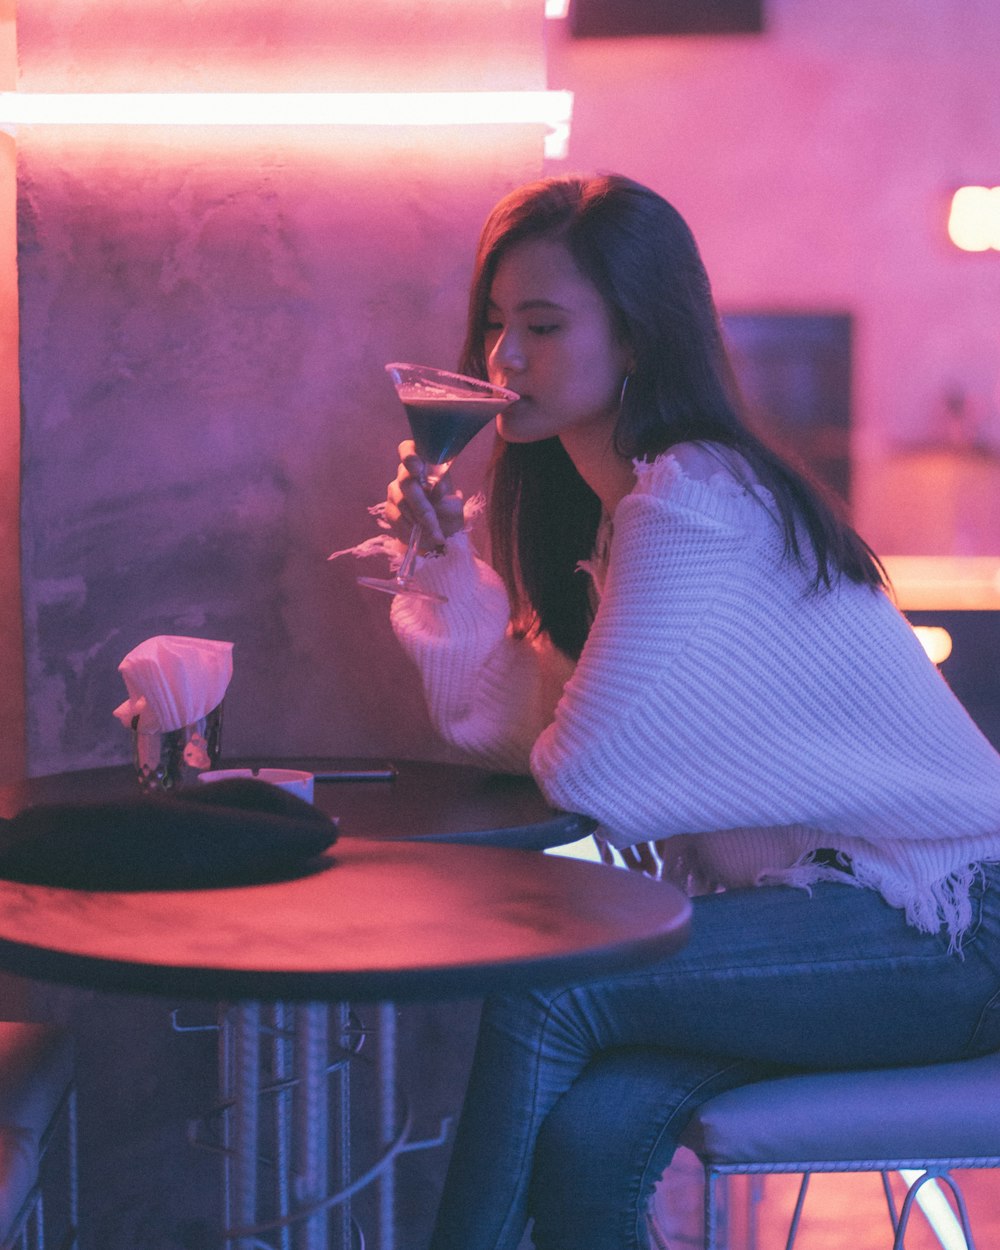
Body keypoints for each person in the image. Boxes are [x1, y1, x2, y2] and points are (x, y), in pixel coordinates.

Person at [360, 173, 1000, 1250]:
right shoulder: (632, 511)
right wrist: (442, 559)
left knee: (546, 989)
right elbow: (508, 728)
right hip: (840, 915)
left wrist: (560, 725)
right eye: (495, 322)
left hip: (945, 923)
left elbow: (582, 770)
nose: (503, 357)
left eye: (544, 325)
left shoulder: (690, 499)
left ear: (637, 340)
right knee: (593, 1135)